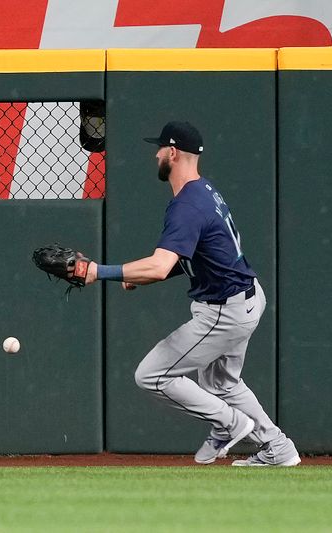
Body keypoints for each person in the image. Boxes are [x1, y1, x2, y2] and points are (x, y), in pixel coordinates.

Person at [85, 121, 299, 466]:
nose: (155, 154)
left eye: (159, 149)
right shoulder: (203, 192)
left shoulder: (188, 205)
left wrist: (99, 272)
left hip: (223, 311)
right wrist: (140, 276)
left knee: (152, 375)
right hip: (245, 297)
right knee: (222, 384)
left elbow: (157, 265)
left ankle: (229, 424)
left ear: (172, 153)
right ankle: (278, 447)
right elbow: (192, 256)